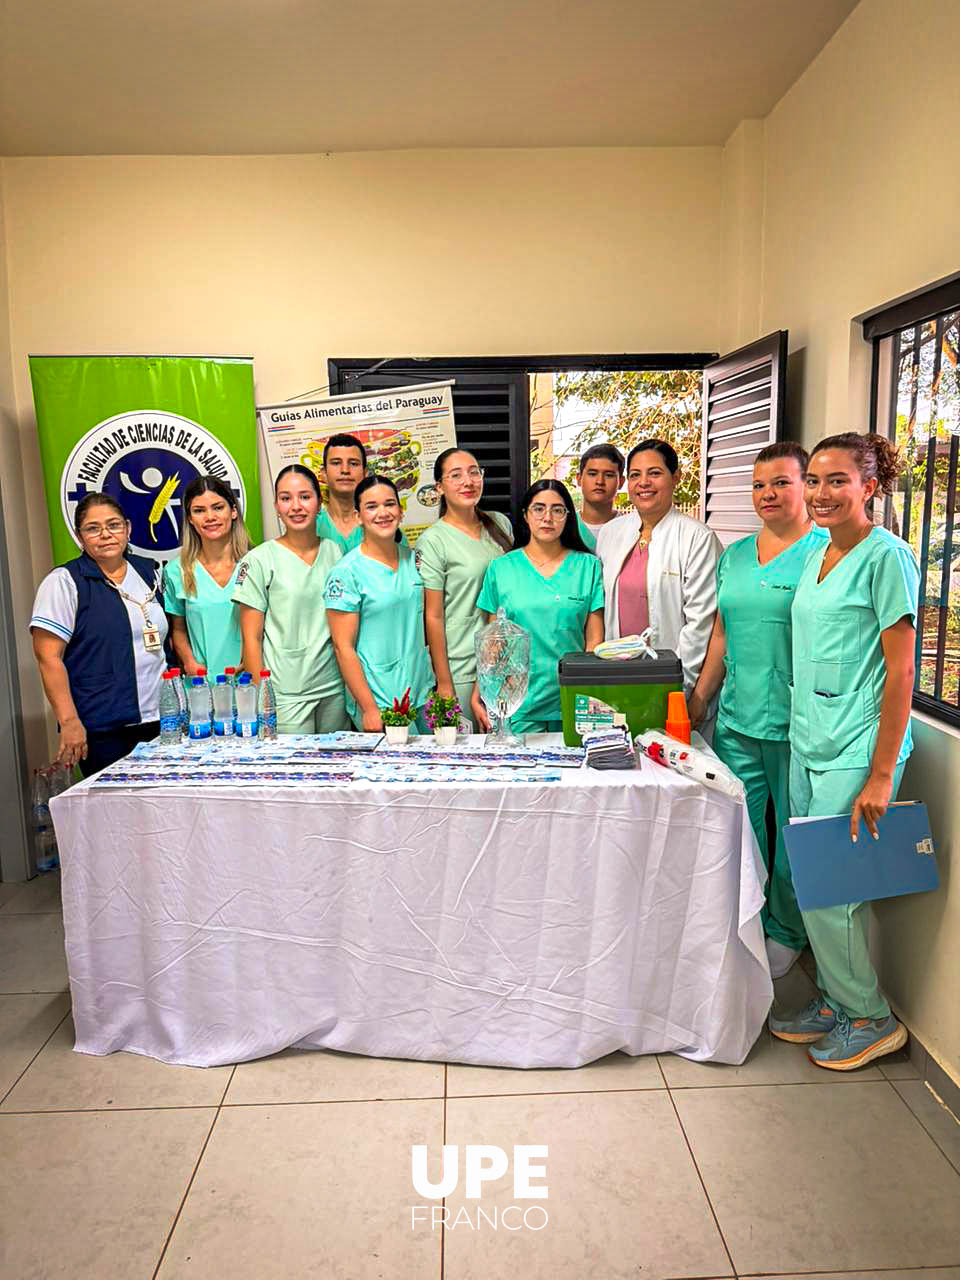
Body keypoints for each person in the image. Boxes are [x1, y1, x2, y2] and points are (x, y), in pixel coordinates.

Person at [769, 432, 918, 1070]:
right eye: (817, 481)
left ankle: (873, 1016)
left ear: (869, 487)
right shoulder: (817, 553)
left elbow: (903, 671)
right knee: (806, 874)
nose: (823, 493)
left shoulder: (888, 558)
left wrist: (882, 774)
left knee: (833, 886)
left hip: (857, 746)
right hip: (810, 737)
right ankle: (834, 997)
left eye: (838, 481)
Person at [688, 442, 828, 978]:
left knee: (793, 836)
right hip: (738, 719)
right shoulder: (736, 556)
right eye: (758, 485)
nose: (767, 494)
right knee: (738, 830)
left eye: (781, 483)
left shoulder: (824, 554)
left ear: (805, 487)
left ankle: (786, 930)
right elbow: (722, 632)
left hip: (799, 724)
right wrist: (701, 696)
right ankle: (739, 925)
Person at [30, 492, 167, 775]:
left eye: (114, 525)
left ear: (128, 528)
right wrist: (69, 722)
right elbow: (48, 658)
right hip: (103, 727)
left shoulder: (150, 572)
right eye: (93, 528)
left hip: (161, 720)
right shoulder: (64, 582)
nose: (105, 534)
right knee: (114, 815)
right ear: (80, 537)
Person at [474, 479, 604, 732]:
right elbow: (493, 642)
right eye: (539, 508)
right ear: (525, 515)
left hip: (571, 699)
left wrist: (589, 695)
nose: (548, 517)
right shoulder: (501, 568)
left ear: (568, 516)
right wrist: (482, 691)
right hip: (517, 701)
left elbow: (594, 641)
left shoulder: (588, 567)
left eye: (557, 510)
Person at [596, 439, 721, 697]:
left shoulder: (697, 537)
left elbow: (701, 624)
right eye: (635, 475)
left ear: (675, 477)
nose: (644, 483)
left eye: (655, 473)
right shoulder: (610, 533)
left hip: (675, 681)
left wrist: (679, 687)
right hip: (617, 677)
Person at [233, 464, 347, 732]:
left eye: (305, 497)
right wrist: (264, 698)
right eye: (286, 498)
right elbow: (252, 637)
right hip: (286, 693)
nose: (296, 506)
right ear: (276, 507)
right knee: (293, 770)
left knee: (338, 768)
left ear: (320, 503)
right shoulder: (259, 560)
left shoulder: (334, 551)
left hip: (333, 687)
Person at [325, 475, 434, 731]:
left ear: (401, 510)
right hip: (379, 697)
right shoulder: (346, 572)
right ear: (358, 516)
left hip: (421, 690)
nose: (383, 513)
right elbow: (343, 648)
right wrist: (369, 708)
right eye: (371, 507)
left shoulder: (415, 561)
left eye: (390, 504)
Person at [417, 448, 513, 729]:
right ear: (439, 487)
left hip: (502, 662)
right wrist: (444, 682)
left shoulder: (499, 523)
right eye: (456, 475)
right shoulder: (433, 541)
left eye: (474, 472)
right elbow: (432, 616)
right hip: (461, 666)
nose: (468, 481)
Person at [163, 475, 252, 678]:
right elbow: (178, 629)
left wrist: (252, 659)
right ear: (190, 519)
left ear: (234, 511)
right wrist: (189, 663)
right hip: (202, 686)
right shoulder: (178, 571)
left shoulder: (256, 564)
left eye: (218, 507)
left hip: (252, 680)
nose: (210, 517)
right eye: (199, 511)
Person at [316, 433, 366, 552]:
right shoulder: (310, 526)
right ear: (323, 474)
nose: (345, 470)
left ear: (365, 473)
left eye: (353, 463)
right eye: (336, 463)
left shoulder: (381, 522)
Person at [575, 443, 625, 550]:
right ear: (579, 479)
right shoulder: (564, 527)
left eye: (609, 475)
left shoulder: (633, 529)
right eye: (592, 474)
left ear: (621, 482)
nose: (600, 481)